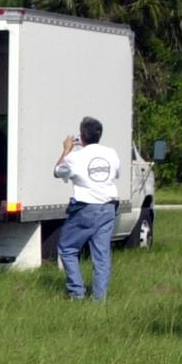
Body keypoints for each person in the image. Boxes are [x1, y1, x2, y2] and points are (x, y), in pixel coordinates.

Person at [53, 116, 120, 301]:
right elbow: (116, 173)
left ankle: (77, 292)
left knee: (67, 248)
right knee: (101, 255)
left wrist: (66, 149)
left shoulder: (75, 157)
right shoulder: (111, 153)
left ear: (81, 136)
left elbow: (57, 171)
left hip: (85, 208)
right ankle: (100, 298)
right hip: (108, 208)